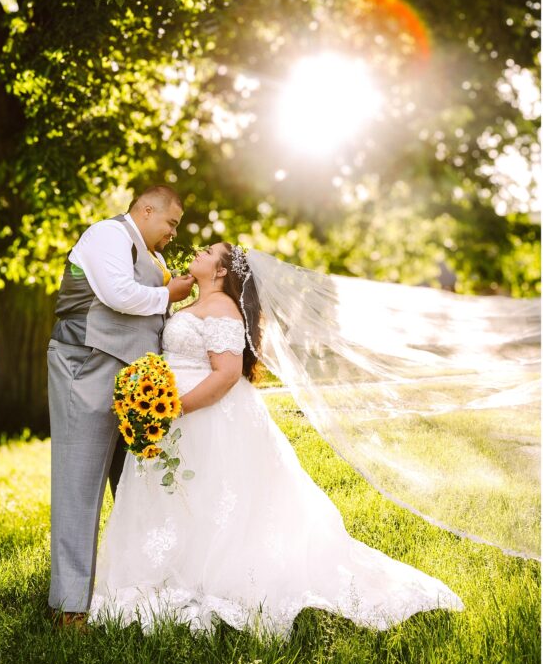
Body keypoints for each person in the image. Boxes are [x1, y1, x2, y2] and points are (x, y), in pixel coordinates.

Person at [88, 242, 465, 635]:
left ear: (220, 271)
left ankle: (207, 578)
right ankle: (167, 572)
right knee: (182, 499)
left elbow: (227, 374)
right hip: (171, 418)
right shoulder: (195, 305)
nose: (197, 251)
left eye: (207, 251)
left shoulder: (222, 310)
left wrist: (174, 409)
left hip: (202, 416)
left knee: (212, 499)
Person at [47, 185, 194, 628]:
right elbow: (117, 295)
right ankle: (71, 606)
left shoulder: (157, 260)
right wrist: (169, 295)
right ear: (146, 210)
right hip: (86, 367)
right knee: (78, 485)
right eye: (170, 223)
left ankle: (136, 591)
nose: (172, 234)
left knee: (135, 489)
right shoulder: (106, 235)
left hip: (134, 385)